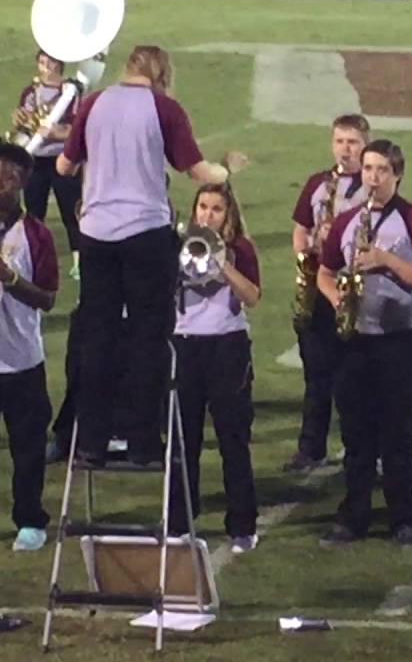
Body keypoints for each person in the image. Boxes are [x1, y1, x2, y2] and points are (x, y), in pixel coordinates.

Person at [56, 45, 247, 467]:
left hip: (96, 234)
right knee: (149, 336)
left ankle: (90, 441)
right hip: (145, 232)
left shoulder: (94, 103)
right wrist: (227, 168)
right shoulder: (163, 108)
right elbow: (197, 171)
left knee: (97, 336)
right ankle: (143, 440)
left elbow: (63, 167)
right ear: (162, 73)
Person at [317, 140, 412, 548]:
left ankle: (403, 517)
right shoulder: (347, 220)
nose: (373, 178)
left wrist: (386, 261)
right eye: (368, 169)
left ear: (397, 175)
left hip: (398, 342)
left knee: (397, 432)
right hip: (354, 340)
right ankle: (354, 516)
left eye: (382, 170)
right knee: (355, 434)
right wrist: (338, 301)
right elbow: (324, 272)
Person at [168, 184, 261, 554]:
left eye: (217, 209)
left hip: (227, 346)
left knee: (232, 439)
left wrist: (223, 264)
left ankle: (242, 526)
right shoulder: (178, 245)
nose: (208, 215)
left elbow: (252, 296)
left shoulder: (241, 249)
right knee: (182, 440)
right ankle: (180, 523)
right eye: (203, 207)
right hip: (184, 346)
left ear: (229, 214)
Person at [285, 114, 371, 473]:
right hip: (319, 284)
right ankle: (311, 447)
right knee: (316, 374)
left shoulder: (372, 186)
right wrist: (304, 257)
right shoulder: (318, 183)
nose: (345, 149)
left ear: (365, 144)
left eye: (352, 142)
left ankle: (364, 451)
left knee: (358, 378)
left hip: (354, 287)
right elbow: (300, 228)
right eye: (339, 141)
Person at [0, 143, 57, 552]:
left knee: (28, 450)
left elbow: (49, 298)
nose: (1, 184)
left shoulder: (36, 234)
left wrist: (10, 279)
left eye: (8, 177)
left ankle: (30, 520)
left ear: (22, 183)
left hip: (21, 361)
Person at [12, 49, 81, 279]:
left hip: (62, 157)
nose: (45, 67)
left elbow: (77, 127)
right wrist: (20, 120)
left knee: (71, 211)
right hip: (36, 159)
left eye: (49, 62)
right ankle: (34, 258)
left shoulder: (71, 92)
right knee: (33, 213)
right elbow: (24, 126)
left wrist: (57, 133)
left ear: (59, 64)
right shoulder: (30, 92)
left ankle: (79, 262)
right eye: (41, 62)